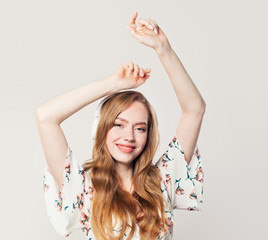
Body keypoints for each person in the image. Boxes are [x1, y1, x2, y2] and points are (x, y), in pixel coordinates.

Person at [36, 12, 206, 240]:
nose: (129, 136)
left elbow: (195, 109)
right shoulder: (85, 188)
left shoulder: (161, 182)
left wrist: (163, 48)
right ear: (102, 128)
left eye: (140, 128)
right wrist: (113, 84)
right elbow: (46, 116)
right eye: (119, 124)